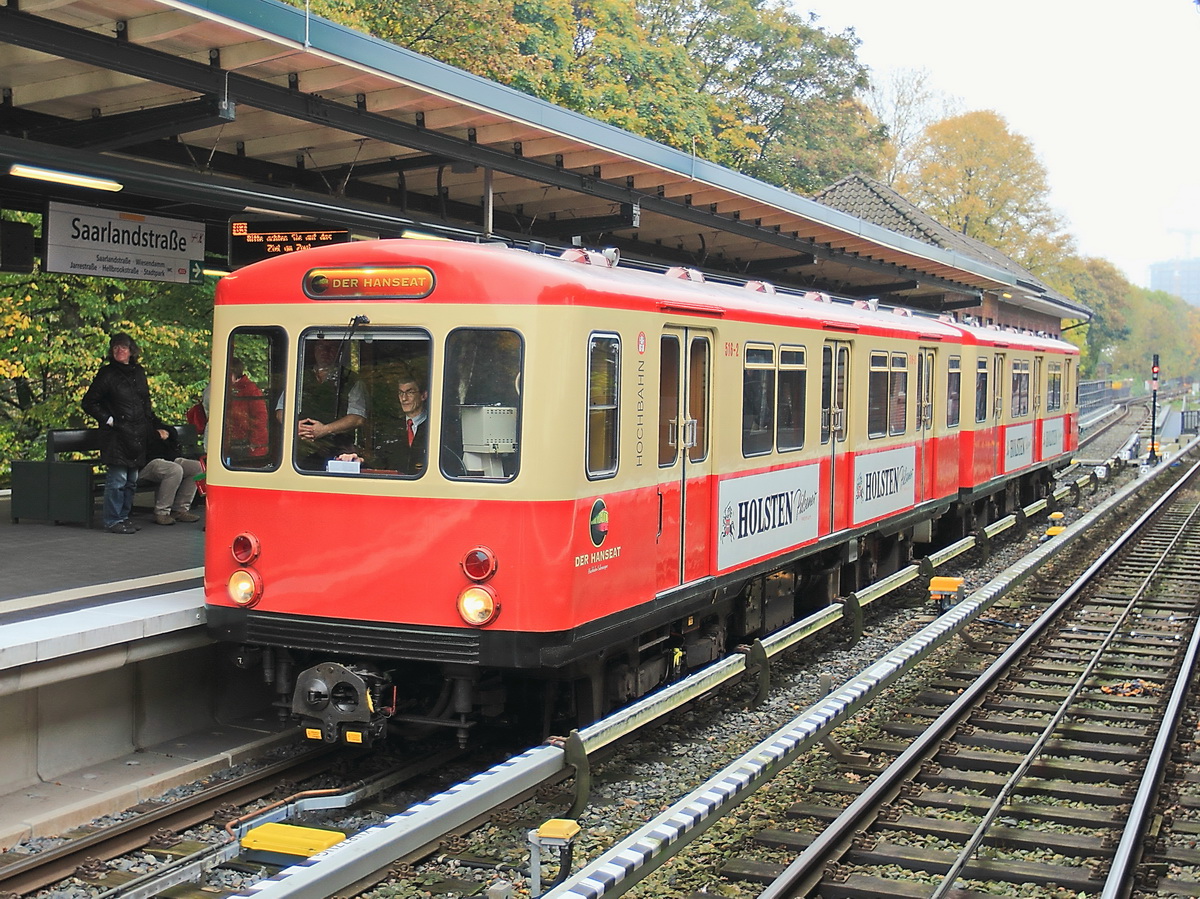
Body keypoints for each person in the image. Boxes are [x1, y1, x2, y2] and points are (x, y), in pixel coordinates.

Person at [82, 332, 170, 534]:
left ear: (131, 350)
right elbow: (89, 402)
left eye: (122, 347)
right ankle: (113, 520)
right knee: (118, 480)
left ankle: (124, 517)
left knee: (131, 481)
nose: (118, 351)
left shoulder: (138, 372)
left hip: (137, 434)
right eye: (115, 347)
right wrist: (110, 420)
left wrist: (150, 425)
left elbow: (145, 402)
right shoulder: (107, 374)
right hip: (116, 436)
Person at [277, 338, 366, 468]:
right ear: (314, 350)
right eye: (321, 346)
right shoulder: (298, 375)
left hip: (339, 452)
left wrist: (325, 430)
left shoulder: (351, 380)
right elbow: (280, 410)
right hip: (296, 455)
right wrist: (294, 425)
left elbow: (357, 418)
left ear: (339, 351)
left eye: (331, 347)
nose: (326, 351)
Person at [338, 374, 428, 475]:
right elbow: (380, 464)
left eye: (410, 392)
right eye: (400, 393)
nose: (404, 398)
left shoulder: (435, 427)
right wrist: (360, 461)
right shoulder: (392, 428)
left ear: (423, 395)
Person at [138, 430, 203, 525]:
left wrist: (166, 432)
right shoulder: (137, 422)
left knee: (196, 467)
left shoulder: (152, 418)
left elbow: (171, 431)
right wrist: (156, 434)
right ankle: (162, 512)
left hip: (168, 458)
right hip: (145, 462)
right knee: (174, 469)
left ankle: (180, 510)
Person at [223, 357, 269, 463]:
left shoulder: (251, 391)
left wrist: (254, 445)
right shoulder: (230, 390)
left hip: (248, 447)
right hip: (234, 445)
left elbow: (260, 419)